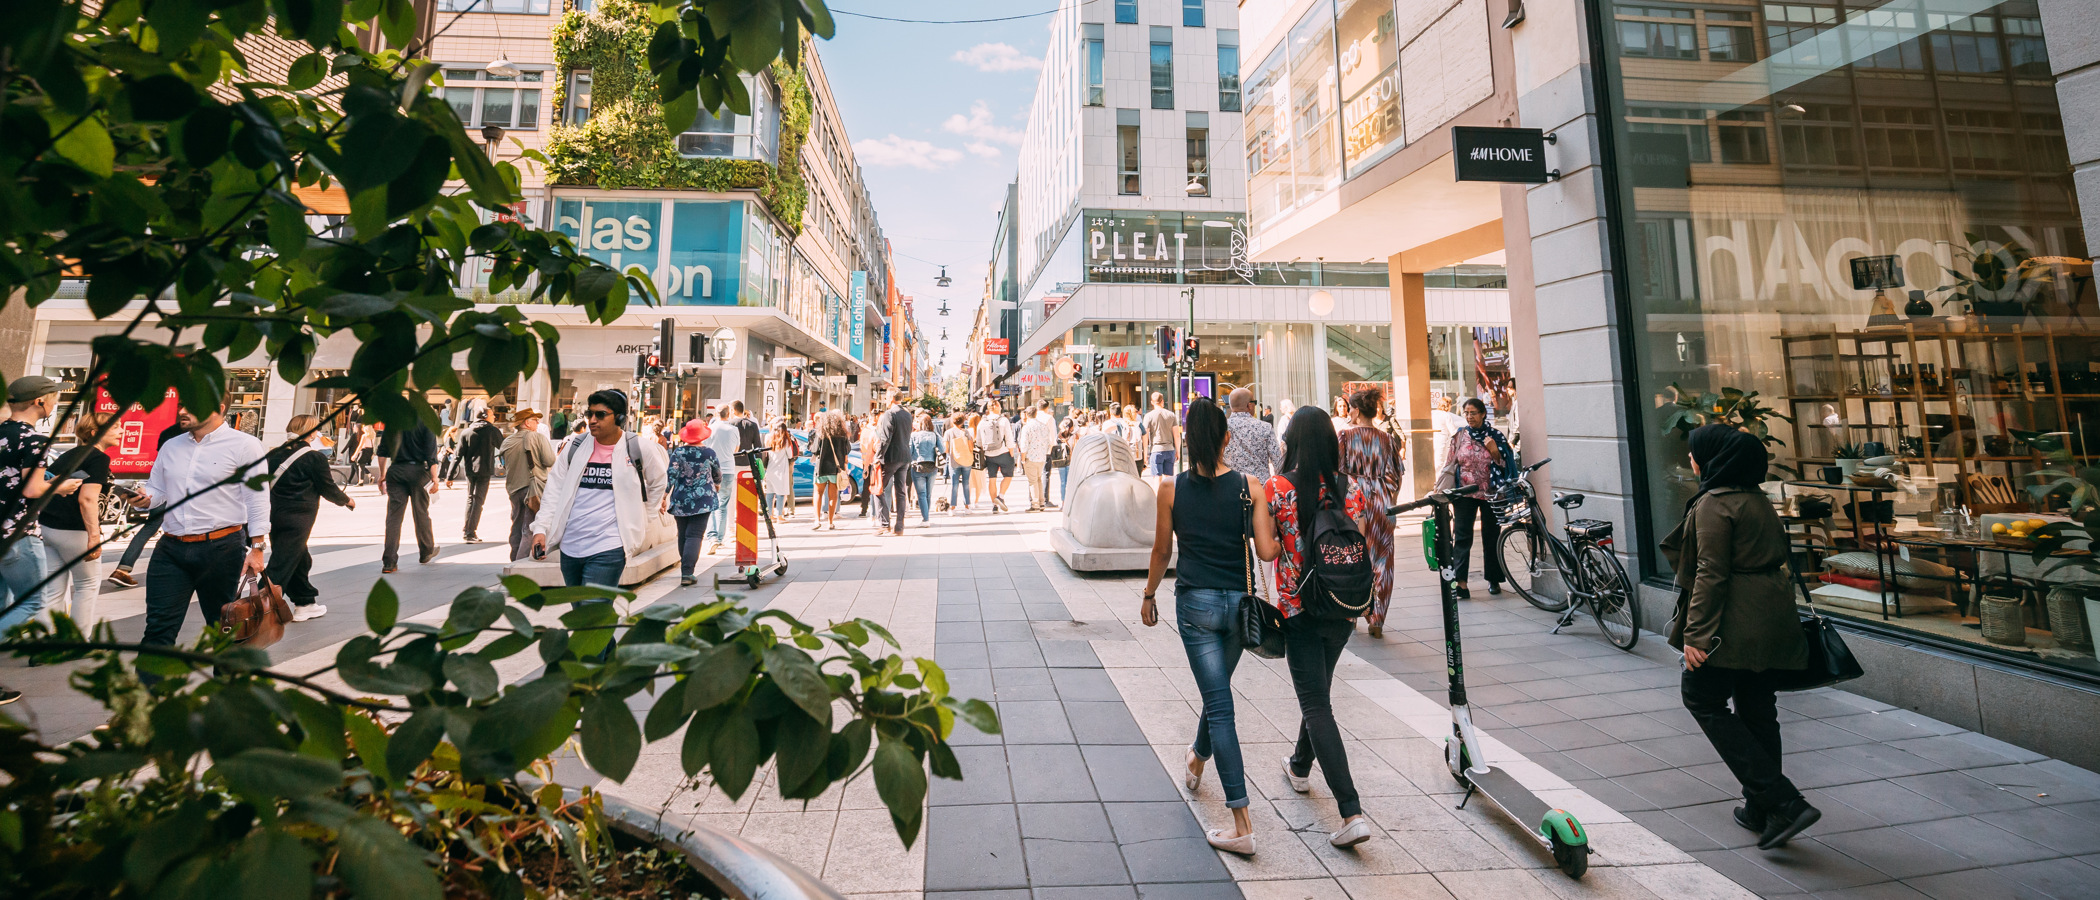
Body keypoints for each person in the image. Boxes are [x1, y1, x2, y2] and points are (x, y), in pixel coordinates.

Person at [1664, 424, 1820, 851]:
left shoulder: (1715, 503)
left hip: (1734, 623)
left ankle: (1783, 800)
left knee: (1701, 697)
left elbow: (1710, 573)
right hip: (1771, 617)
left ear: (1712, 460)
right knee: (1757, 709)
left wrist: (1697, 635)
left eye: (1695, 454)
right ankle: (1761, 809)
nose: (1691, 461)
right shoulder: (1757, 499)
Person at [1141, 397, 1279, 855]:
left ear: (1186, 438)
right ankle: (1197, 760)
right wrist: (1279, 526)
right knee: (1217, 694)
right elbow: (1266, 552)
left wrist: (1148, 595)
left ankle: (1241, 823)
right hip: (1239, 609)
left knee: (1218, 703)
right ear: (1227, 437)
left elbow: (1162, 553)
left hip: (1195, 607)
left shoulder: (1170, 489)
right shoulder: (1250, 486)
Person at [1266, 405, 1376, 849]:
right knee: (1319, 695)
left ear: (1291, 441)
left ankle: (1351, 812)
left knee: (1316, 705)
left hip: (1300, 611)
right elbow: (1361, 546)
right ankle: (1298, 767)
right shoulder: (1352, 491)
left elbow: (1270, 551)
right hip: (1342, 607)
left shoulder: (1278, 490)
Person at [125, 397, 272, 654]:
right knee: (158, 629)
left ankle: (225, 692)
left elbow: (257, 497)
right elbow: (157, 489)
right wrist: (143, 498)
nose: (182, 411)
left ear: (221, 409)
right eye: (181, 405)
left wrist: (257, 547)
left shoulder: (245, 445)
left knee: (224, 629)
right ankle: (149, 692)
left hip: (222, 549)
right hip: (170, 549)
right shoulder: (171, 446)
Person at [530, 390, 669, 588]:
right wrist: (541, 528)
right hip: (570, 547)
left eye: (600, 415)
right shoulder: (575, 447)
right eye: (590, 414)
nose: (592, 420)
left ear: (619, 418)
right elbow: (554, 489)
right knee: (580, 613)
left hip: (610, 546)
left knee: (594, 610)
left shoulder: (639, 447)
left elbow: (658, 482)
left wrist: (645, 517)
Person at [264, 414, 355, 621]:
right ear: (311, 432)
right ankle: (255, 611)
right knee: (280, 565)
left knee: (300, 558)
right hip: (298, 519)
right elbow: (328, 488)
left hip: (274, 515)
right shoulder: (314, 458)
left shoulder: (273, 455)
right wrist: (347, 500)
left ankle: (305, 602)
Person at [1334, 389, 1403, 637]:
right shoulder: (1387, 439)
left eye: (1350, 407)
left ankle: (1352, 613)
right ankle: (1377, 620)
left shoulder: (1344, 436)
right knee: (1383, 560)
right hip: (1382, 501)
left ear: (1356, 410)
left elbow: (1338, 470)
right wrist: (1388, 499)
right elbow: (1397, 475)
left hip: (1354, 502)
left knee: (1353, 556)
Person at [38, 409, 116, 628]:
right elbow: (88, 499)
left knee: (52, 588)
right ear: (94, 433)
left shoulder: (69, 454)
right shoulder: (98, 458)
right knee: (86, 585)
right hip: (75, 529)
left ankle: (45, 637)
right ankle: (78, 638)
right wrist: (94, 536)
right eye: (115, 427)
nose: (121, 431)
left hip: (49, 526)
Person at [1446, 398, 1515, 598]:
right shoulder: (1459, 436)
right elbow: (1450, 463)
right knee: (1462, 537)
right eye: (1466, 413)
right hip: (1464, 493)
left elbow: (1507, 466)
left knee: (1492, 536)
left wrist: (1494, 450)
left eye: (1474, 412)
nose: (1470, 416)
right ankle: (1461, 583)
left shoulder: (1495, 435)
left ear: (1483, 414)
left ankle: (1494, 579)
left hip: (1492, 493)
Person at [664, 419, 722, 586]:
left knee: (683, 535)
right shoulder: (709, 453)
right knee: (694, 535)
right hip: (703, 500)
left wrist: (664, 495)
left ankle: (686, 569)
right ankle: (687, 572)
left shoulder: (678, 453)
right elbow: (717, 473)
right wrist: (716, 485)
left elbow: (671, 475)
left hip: (681, 499)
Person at [500, 408, 556, 561]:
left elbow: (504, 464)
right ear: (526, 423)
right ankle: (520, 566)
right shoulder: (537, 437)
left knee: (517, 527)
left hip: (513, 489)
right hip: (533, 490)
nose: (538, 423)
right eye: (535, 420)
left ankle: (513, 559)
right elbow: (550, 461)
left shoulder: (507, 441)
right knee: (530, 528)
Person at [456, 403, 502, 542]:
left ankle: (467, 530)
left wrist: (449, 476)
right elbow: (504, 447)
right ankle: (470, 532)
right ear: (486, 416)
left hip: (470, 471)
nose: (494, 416)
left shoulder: (466, 432)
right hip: (485, 471)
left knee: (470, 499)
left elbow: (458, 455)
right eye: (492, 414)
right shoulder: (492, 431)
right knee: (479, 501)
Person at [870, 391, 914, 535]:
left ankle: (884, 524)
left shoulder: (889, 414)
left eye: (887, 397)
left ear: (891, 398)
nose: (885, 399)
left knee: (878, 488)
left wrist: (878, 456)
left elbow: (885, 438)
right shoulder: (907, 414)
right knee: (901, 491)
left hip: (891, 457)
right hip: (904, 456)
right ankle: (899, 526)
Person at [1222, 388, 1282, 481]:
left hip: (1231, 484)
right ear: (1249, 405)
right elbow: (1278, 461)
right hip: (1260, 485)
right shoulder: (1265, 427)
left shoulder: (1222, 427)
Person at [703, 408, 740, 552]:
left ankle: (711, 537)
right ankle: (719, 538)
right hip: (728, 469)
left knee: (711, 504)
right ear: (729, 414)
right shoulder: (733, 429)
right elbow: (736, 449)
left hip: (711, 470)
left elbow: (705, 448)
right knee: (723, 505)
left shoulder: (709, 429)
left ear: (716, 414)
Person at [812, 411, 850, 530]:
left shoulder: (820, 432)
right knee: (833, 496)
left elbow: (814, 450)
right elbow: (847, 450)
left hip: (821, 467)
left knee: (818, 493)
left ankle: (817, 520)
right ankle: (830, 522)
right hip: (836, 469)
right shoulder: (842, 434)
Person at [976, 401, 1016, 512]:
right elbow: (1009, 438)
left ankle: (994, 505)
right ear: (997, 407)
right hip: (1003, 453)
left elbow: (979, 441)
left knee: (992, 479)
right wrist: (1011, 453)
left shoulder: (982, 422)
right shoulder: (1003, 420)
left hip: (989, 455)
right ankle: (1001, 496)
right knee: (1008, 476)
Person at [1019, 401, 1055, 512]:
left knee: (1033, 481)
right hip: (1042, 457)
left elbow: (1024, 445)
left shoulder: (1027, 427)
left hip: (1031, 457)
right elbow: (1049, 441)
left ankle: (1035, 504)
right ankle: (1041, 502)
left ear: (1026, 415)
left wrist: (1023, 458)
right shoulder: (1043, 426)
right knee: (1039, 479)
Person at [762, 422, 797, 522]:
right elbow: (790, 455)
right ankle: (780, 516)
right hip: (781, 470)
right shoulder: (785, 441)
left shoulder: (769, 439)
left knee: (769, 493)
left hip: (770, 469)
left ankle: (769, 515)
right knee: (780, 494)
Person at [910, 412, 939, 523]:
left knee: (921, 494)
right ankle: (926, 516)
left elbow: (910, 451)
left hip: (918, 467)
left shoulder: (914, 435)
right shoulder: (934, 435)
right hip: (932, 466)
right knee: (928, 493)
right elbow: (942, 449)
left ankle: (925, 518)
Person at [943, 412, 975, 514]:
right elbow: (971, 447)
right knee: (966, 483)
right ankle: (967, 507)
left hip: (954, 461)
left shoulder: (948, 433)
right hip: (966, 460)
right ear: (963, 421)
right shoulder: (966, 432)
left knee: (954, 484)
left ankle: (953, 507)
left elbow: (946, 449)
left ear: (952, 421)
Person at [1143, 392, 1179, 480]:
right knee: (1169, 479)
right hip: (1169, 449)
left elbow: (1145, 436)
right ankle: (1169, 494)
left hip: (1156, 450)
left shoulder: (1148, 416)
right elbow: (1177, 435)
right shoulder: (1171, 415)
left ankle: (1157, 494)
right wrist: (1178, 451)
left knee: (1157, 479)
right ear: (1162, 401)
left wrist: (1145, 455)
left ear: (1152, 402)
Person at [1430, 394, 1466, 473]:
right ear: (1448, 405)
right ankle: (1438, 480)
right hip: (1442, 441)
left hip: (1431, 439)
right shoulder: (1446, 415)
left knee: (1434, 460)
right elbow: (1453, 431)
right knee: (1440, 462)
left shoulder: (1432, 413)